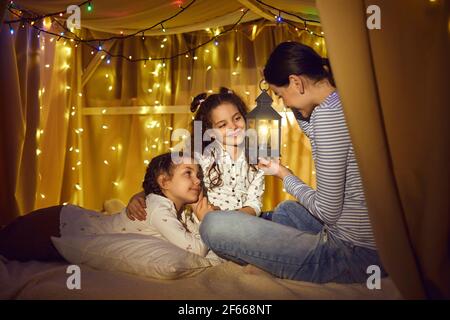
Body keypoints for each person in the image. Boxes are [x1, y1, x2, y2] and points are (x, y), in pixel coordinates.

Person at [199, 42, 387, 283]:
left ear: (296, 82)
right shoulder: (338, 102)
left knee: (214, 226)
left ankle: (276, 263)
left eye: (280, 94)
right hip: (359, 234)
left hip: (354, 252)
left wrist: (283, 174)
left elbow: (327, 212)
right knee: (287, 210)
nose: (284, 103)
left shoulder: (327, 119)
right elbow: (311, 128)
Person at [0, 153, 216, 262]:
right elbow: (195, 250)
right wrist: (206, 221)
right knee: (7, 242)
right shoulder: (159, 208)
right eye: (188, 173)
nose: (197, 180)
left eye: (198, 174)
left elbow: (190, 240)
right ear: (164, 182)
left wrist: (199, 217)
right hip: (62, 225)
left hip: (70, 221)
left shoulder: (177, 210)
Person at [127, 87, 266, 220]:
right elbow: (170, 183)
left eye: (237, 118)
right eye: (222, 125)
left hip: (242, 222)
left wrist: (232, 219)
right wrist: (141, 195)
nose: (233, 127)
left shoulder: (257, 159)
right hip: (207, 224)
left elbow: (254, 203)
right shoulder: (200, 157)